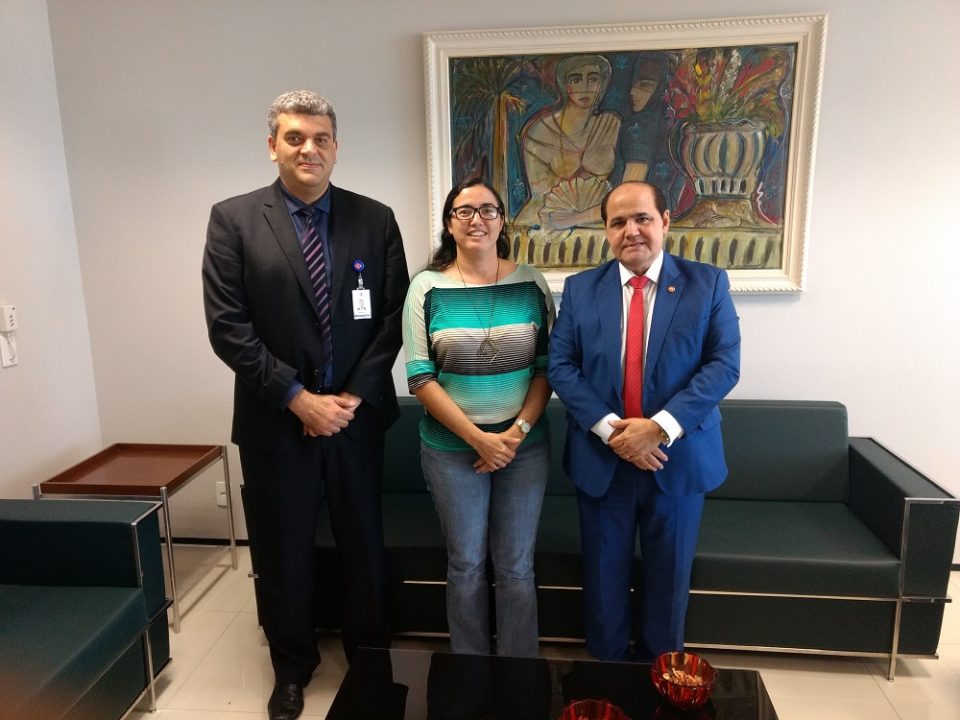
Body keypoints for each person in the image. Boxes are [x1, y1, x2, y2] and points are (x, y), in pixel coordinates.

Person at [202, 90, 409, 720]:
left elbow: (395, 316)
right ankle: (292, 668)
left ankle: (368, 656)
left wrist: (350, 396)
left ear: (336, 147)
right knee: (283, 551)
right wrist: (297, 398)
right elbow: (227, 326)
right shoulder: (234, 219)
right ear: (273, 146)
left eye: (320, 138)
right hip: (276, 422)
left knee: (362, 546)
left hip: (355, 421)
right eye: (294, 138)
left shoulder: (375, 219)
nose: (308, 149)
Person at [547, 180, 740, 662]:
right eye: (618, 222)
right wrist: (613, 430)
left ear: (665, 222)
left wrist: (658, 428)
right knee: (603, 581)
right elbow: (561, 367)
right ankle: (607, 678)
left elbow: (723, 365)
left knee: (669, 582)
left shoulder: (707, 284)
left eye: (642, 218)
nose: (630, 231)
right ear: (606, 231)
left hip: (677, 459)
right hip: (602, 460)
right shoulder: (580, 289)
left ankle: (662, 678)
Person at [402, 178, 554, 657]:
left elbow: (547, 369)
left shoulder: (531, 282)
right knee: (466, 563)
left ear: (502, 220)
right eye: (464, 211)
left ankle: (518, 669)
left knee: (516, 566)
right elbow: (420, 377)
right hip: (452, 452)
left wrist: (514, 435)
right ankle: (469, 667)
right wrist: (479, 439)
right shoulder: (426, 287)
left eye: (487, 210)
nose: (476, 220)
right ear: (449, 224)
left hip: (523, 450)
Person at [515, 54, 622, 232]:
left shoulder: (611, 124)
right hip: (543, 221)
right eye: (576, 80)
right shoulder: (540, 130)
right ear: (565, 85)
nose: (585, 88)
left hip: (596, 221)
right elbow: (541, 195)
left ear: (601, 84)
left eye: (593, 79)